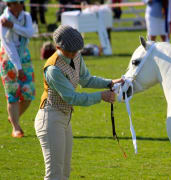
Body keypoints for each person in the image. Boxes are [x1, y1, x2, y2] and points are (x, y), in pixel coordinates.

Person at [34, 25, 123, 180]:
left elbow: (86, 79)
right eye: (71, 50)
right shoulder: (53, 69)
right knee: (54, 174)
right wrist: (101, 96)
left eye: (77, 50)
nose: (75, 53)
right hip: (50, 119)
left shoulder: (75, 55)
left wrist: (108, 82)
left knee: (64, 173)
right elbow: (72, 98)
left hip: (65, 118)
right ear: (58, 47)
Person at [0, 0, 35, 138]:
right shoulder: (2, 20)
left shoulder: (26, 16)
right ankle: (16, 128)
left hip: (24, 56)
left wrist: (13, 26)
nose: (13, 7)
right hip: (8, 59)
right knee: (13, 94)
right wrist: (18, 67)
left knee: (28, 93)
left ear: (21, 4)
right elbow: (8, 45)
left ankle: (13, 117)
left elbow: (30, 33)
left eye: (16, 3)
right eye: (10, 4)